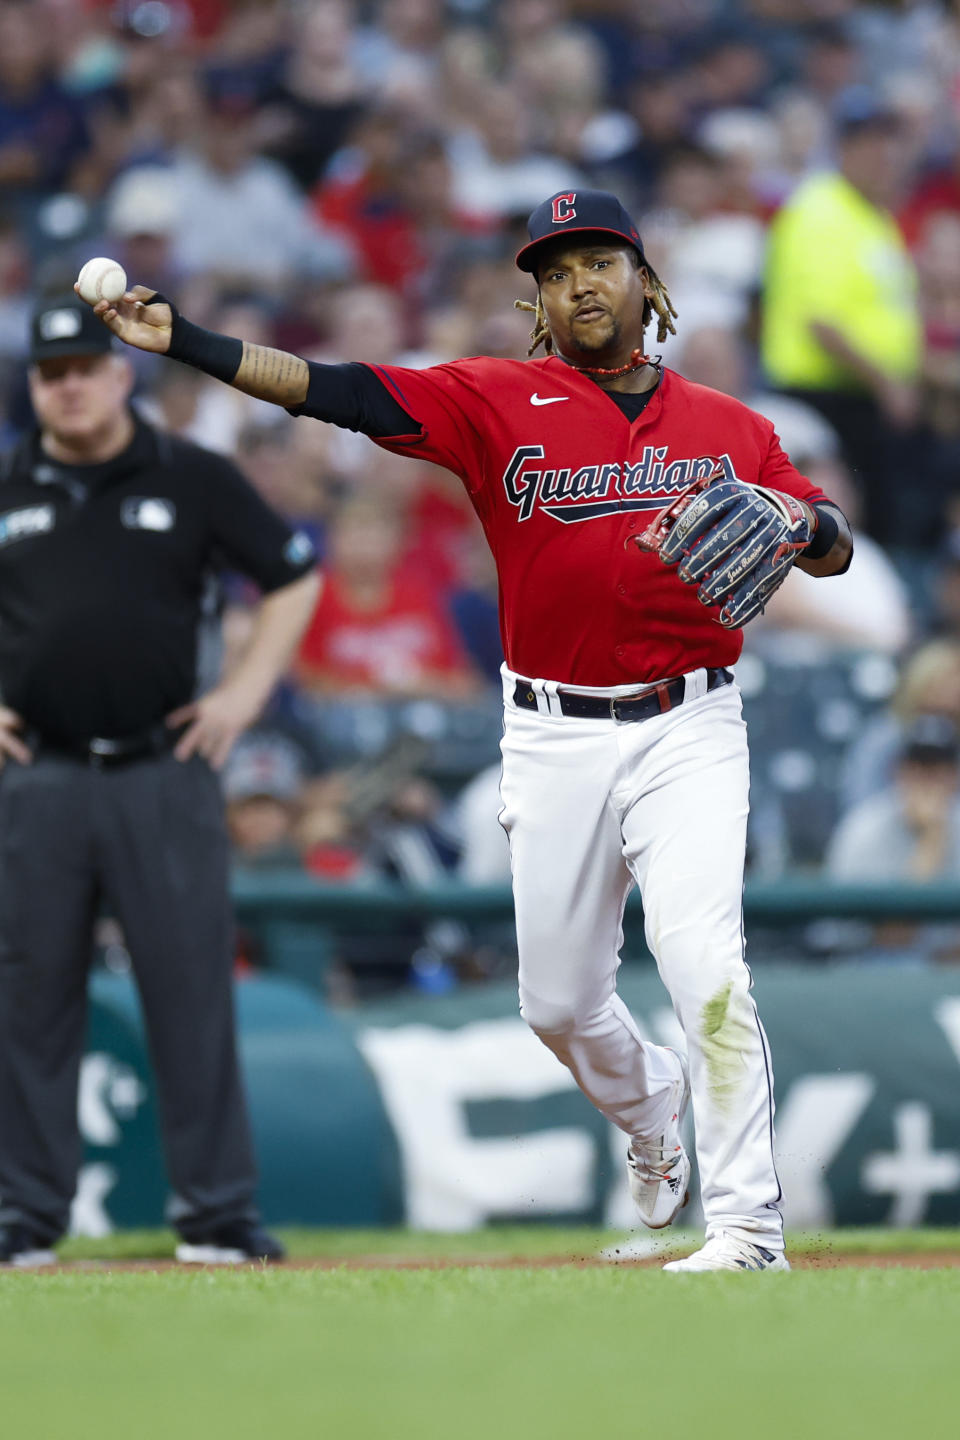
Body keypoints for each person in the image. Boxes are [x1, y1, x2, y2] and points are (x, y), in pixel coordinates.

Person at [81, 186, 852, 1273]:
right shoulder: (496, 400)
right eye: (555, 270)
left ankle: (747, 1229)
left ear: (646, 278)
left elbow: (834, 545)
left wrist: (796, 515)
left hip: (692, 723)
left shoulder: (733, 427)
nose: (578, 283)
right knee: (556, 1004)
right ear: (537, 296)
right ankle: (648, 1108)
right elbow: (339, 393)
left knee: (706, 967)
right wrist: (190, 344)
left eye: (599, 262)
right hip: (552, 733)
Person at [0, 294, 319, 1268]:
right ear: (36, 387)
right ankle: (24, 1221)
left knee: (190, 993)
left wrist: (246, 690)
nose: (68, 388)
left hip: (162, 766)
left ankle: (216, 1215)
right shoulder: (8, 480)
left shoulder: (193, 476)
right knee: (26, 1001)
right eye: (51, 375)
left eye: (84, 369)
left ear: (119, 372)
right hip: (38, 774)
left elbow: (294, 572)